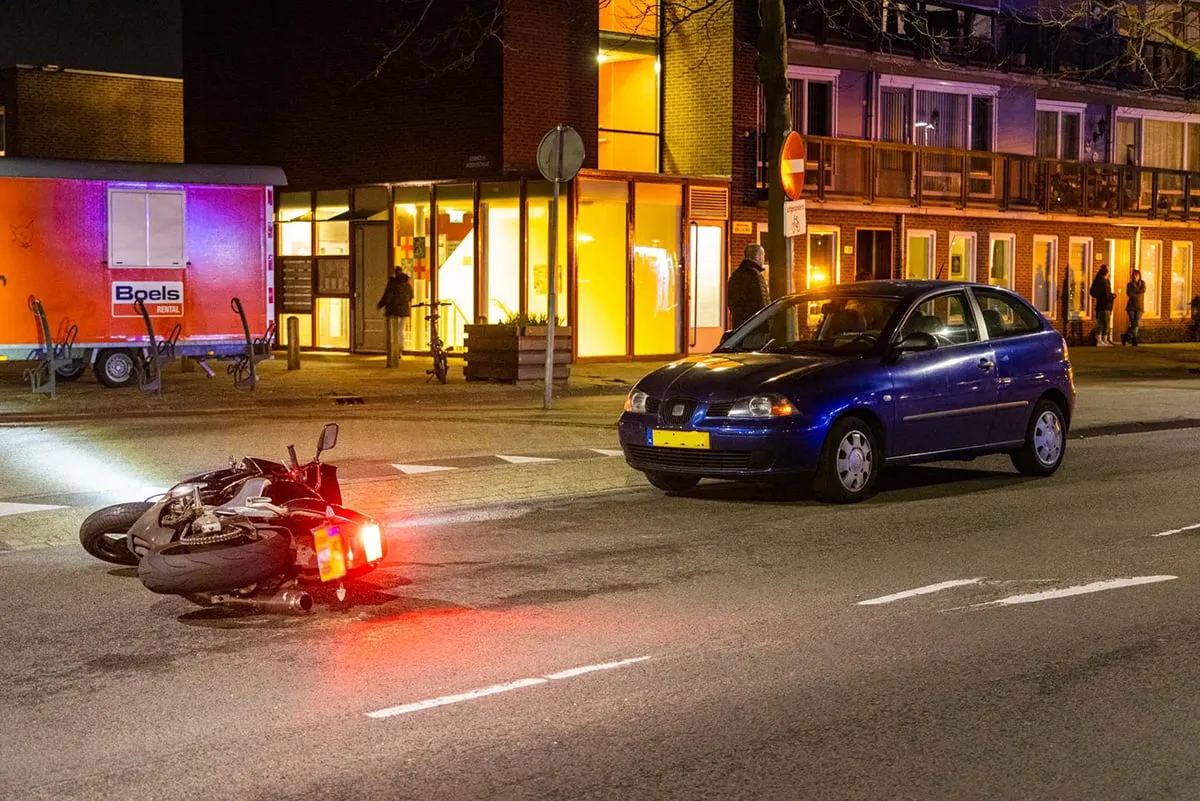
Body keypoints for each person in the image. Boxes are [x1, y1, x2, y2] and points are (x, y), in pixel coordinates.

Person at [728, 244, 769, 329]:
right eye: (763, 255)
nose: (763, 259)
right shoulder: (755, 276)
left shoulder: (736, 274)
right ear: (757, 256)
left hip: (739, 326)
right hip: (755, 327)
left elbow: (731, 302)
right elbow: (762, 302)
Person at [377, 268, 413, 360]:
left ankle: (394, 350)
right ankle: (400, 349)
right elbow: (410, 297)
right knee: (400, 330)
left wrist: (380, 305)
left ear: (395, 273)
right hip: (403, 311)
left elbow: (386, 296)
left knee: (393, 332)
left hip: (393, 311)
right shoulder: (407, 284)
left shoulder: (392, 284)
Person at [1089, 264, 1115, 346]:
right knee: (1105, 323)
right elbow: (1106, 294)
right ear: (1106, 271)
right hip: (1105, 305)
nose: (1110, 272)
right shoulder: (1104, 281)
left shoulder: (1099, 279)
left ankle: (1100, 339)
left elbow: (1092, 291)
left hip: (1100, 305)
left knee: (1100, 322)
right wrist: (1112, 296)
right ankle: (1103, 339)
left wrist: (1099, 296)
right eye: (1109, 270)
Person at [1122, 268, 1146, 346]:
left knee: (1136, 323)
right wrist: (1137, 294)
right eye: (1134, 275)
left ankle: (1126, 336)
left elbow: (1143, 290)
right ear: (1132, 276)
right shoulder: (1129, 284)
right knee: (1133, 323)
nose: (1135, 276)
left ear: (1139, 276)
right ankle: (1134, 340)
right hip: (1131, 307)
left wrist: (1135, 293)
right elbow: (1129, 294)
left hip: (1139, 307)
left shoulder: (1142, 283)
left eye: (1137, 275)